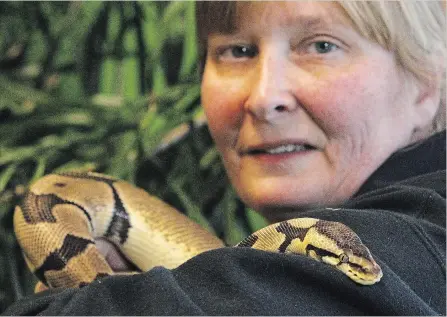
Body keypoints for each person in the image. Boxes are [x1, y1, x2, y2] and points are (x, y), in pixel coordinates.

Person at [3, 1, 445, 315]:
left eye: (321, 46)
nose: (263, 97)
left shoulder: (423, 237)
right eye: (238, 51)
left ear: (427, 84)